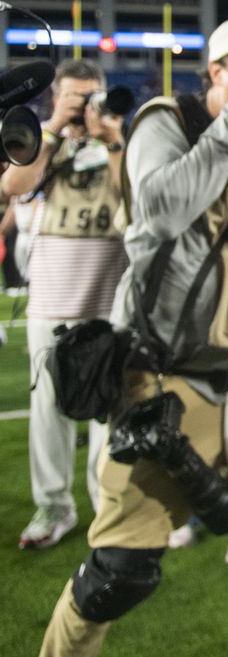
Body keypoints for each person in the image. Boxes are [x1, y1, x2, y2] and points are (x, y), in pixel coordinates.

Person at [39, 11, 228, 657]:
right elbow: (159, 208)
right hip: (172, 379)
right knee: (119, 572)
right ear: (218, 73)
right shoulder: (166, 121)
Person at [2, 59, 128, 550]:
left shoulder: (115, 142)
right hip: (49, 304)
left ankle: (106, 509)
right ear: (56, 97)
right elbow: (13, 187)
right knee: (48, 412)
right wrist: (54, 129)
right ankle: (53, 507)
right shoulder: (42, 140)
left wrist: (110, 138)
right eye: (74, 96)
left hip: (105, 304)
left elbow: (134, 200)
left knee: (105, 415)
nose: (83, 105)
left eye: (90, 95)